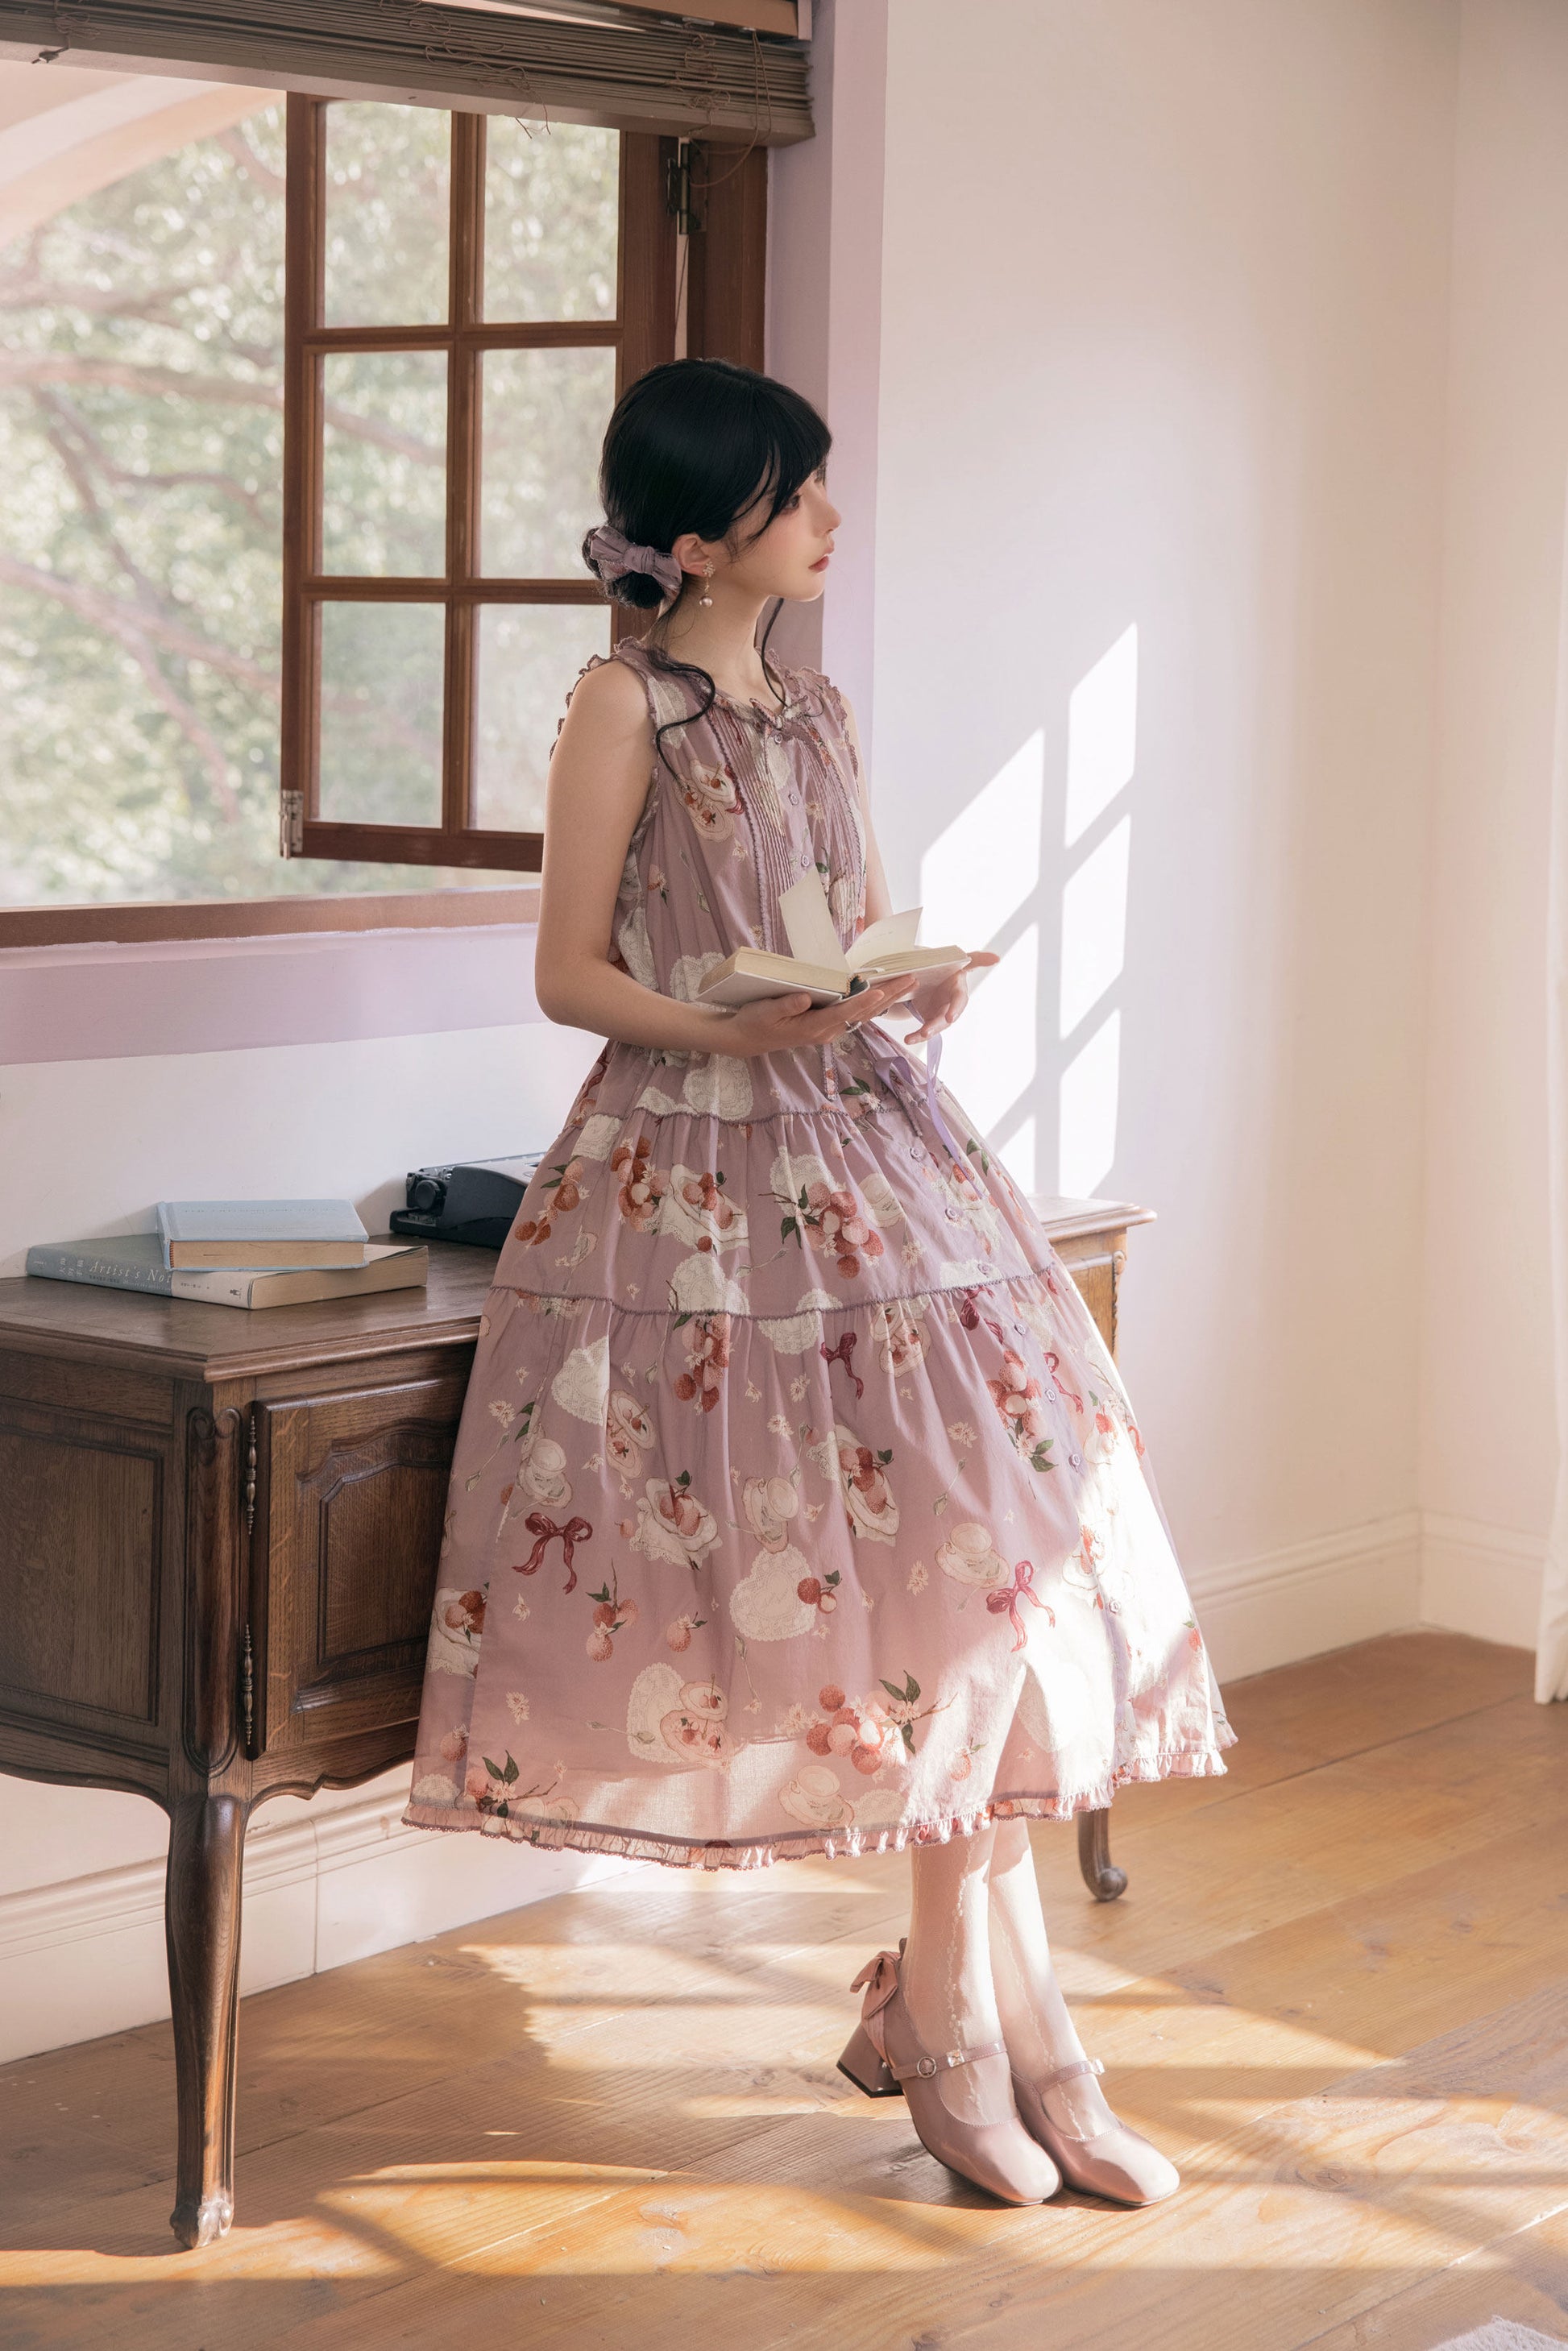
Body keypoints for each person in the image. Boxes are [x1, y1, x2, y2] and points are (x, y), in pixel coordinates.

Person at [404, 357, 1234, 2208]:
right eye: (795, 496)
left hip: (867, 1140)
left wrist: (892, 984)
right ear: (704, 539)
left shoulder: (818, 705)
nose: (828, 519)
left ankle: (959, 2017)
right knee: (918, 1595)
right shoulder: (621, 705)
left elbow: (832, 928)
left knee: (985, 1575)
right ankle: (990, 2037)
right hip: (694, 1175)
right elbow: (567, 972)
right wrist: (741, 1029)